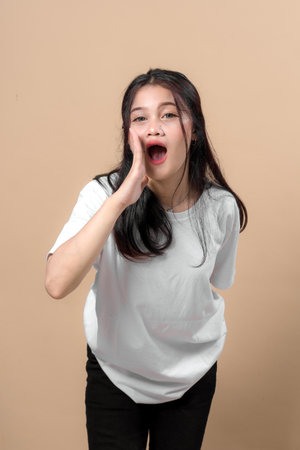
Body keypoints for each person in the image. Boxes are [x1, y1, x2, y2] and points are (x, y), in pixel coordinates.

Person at [45, 68, 247, 450]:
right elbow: (56, 283)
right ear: (129, 136)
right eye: (140, 118)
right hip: (115, 374)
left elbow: (216, 282)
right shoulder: (101, 195)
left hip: (191, 377)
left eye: (169, 114)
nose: (153, 126)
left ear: (195, 129)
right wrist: (122, 198)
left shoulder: (221, 208)